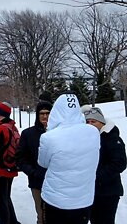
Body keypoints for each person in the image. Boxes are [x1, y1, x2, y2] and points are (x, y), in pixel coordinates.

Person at [38, 93, 100, 224]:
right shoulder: (93, 132)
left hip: (55, 200)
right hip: (84, 199)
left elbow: (43, 163)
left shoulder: (49, 137)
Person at [81, 105, 126, 224]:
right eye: (88, 121)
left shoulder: (112, 138)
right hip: (91, 191)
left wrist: (97, 176)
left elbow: (120, 163)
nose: (90, 124)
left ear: (101, 122)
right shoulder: (87, 138)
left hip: (108, 191)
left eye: (93, 121)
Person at [15, 101, 52, 224]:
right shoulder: (28, 134)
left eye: (48, 113)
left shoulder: (59, 133)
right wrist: (32, 172)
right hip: (37, 181)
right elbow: (20, 157)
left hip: (57, 182)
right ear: (37, 115)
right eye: (42, 113)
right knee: (42, 216)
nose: (45, 116)